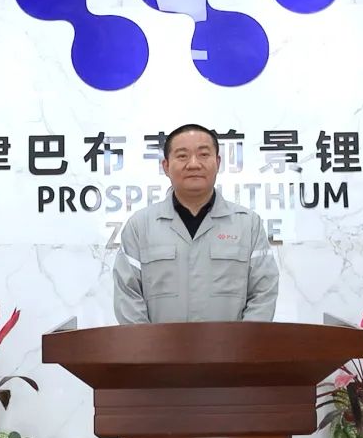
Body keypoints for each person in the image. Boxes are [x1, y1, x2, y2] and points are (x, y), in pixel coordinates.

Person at [112, 124, 279, 324]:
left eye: (203, 155)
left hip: (233, 345)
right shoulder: (140, 227)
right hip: (157, 345)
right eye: (182, 156)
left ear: (218, 162)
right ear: (166, 166)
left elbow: (263, 293)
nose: (193, 164)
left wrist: (242, 342)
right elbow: (128, 297)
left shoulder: (248, 224)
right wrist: (149, 344)